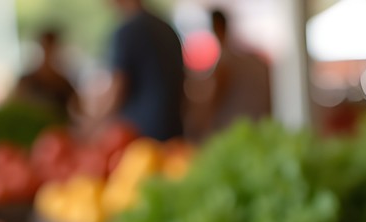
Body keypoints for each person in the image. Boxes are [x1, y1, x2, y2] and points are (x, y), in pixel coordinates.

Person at [100, 0, 185, 140]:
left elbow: (118, 88)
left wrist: (96, 123)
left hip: (139, 136)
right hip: (174, 129)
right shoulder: (167, 29)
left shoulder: (127, 32)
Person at [188, 10, 271, 140]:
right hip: (256, 128)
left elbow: (213, 98)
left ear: (216, 27)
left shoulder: (226, 59)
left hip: (234, 131)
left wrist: (199, 122)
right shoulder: (248, 58)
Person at [12, 28, 78, 120]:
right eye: (46, 47)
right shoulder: (26, 83)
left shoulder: (64, 85)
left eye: (51, 48)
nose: (48, 52)